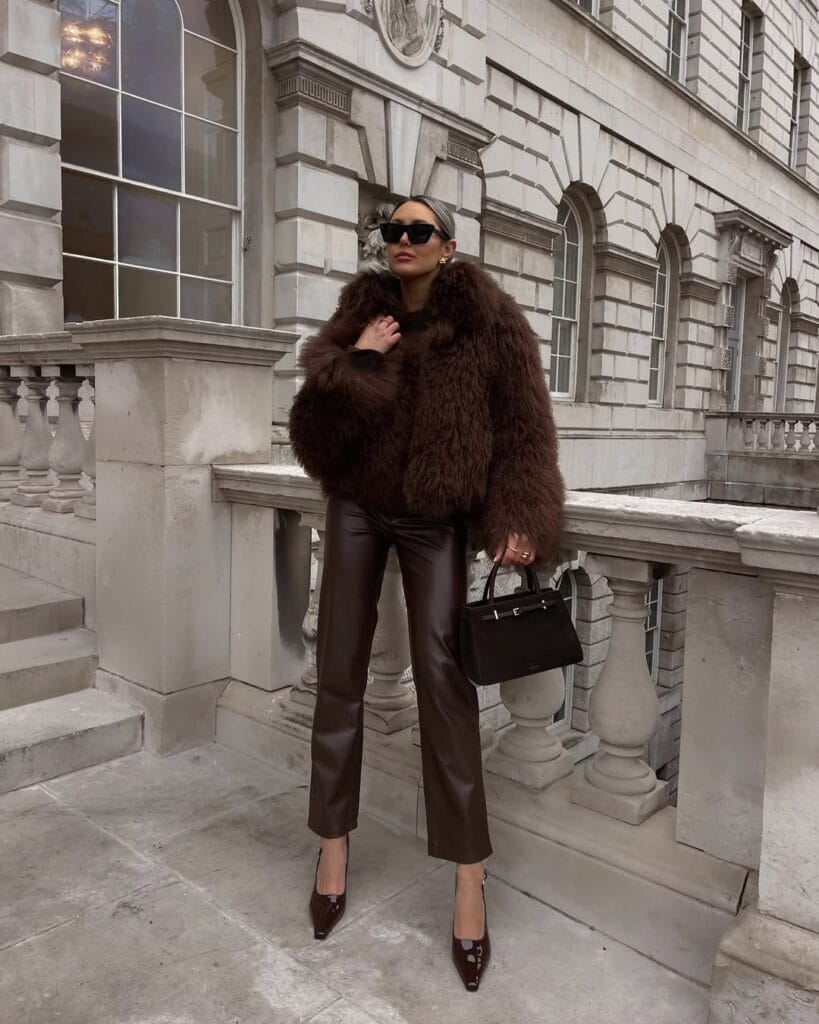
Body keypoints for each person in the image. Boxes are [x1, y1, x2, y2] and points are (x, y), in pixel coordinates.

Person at [288, 196, 564, 991]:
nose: (401, 242)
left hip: (432, 519)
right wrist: (362, 361)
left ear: (447, 245)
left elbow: (523, 429)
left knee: (444, 686)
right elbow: (311, 434)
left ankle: (468, 878)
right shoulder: (360, 312)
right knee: (337, 672)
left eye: (418, 232)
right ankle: (332, 847)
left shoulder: (491, 321)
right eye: (392, 232)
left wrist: (519, 514)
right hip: (354, 508)